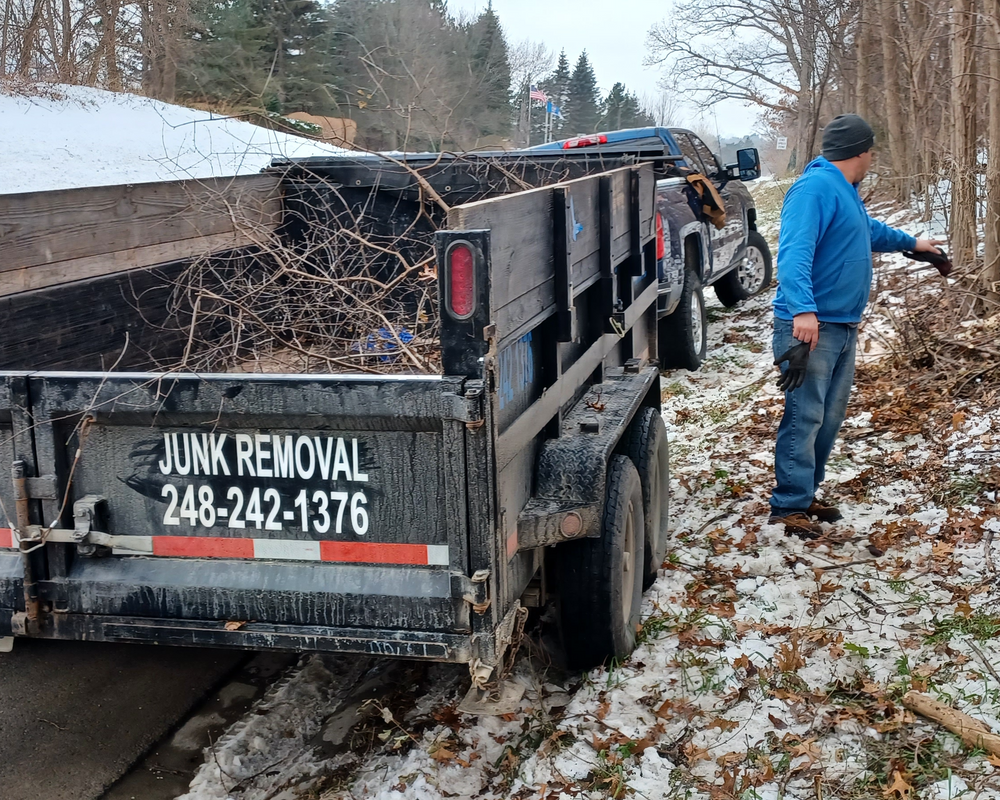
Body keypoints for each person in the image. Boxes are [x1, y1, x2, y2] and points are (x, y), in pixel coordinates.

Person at [769, 114, 944, 536]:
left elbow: (867, 232)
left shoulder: (845, 190)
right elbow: (793, 253)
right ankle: (788, 506)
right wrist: (803, 311)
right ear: (862, 151)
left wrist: (914, 245)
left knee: (828, 417)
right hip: (811, 326)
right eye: (871, 150)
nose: (872, 157)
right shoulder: (814, 189)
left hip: (842, 325)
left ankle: (805, 493)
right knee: (805, 415)